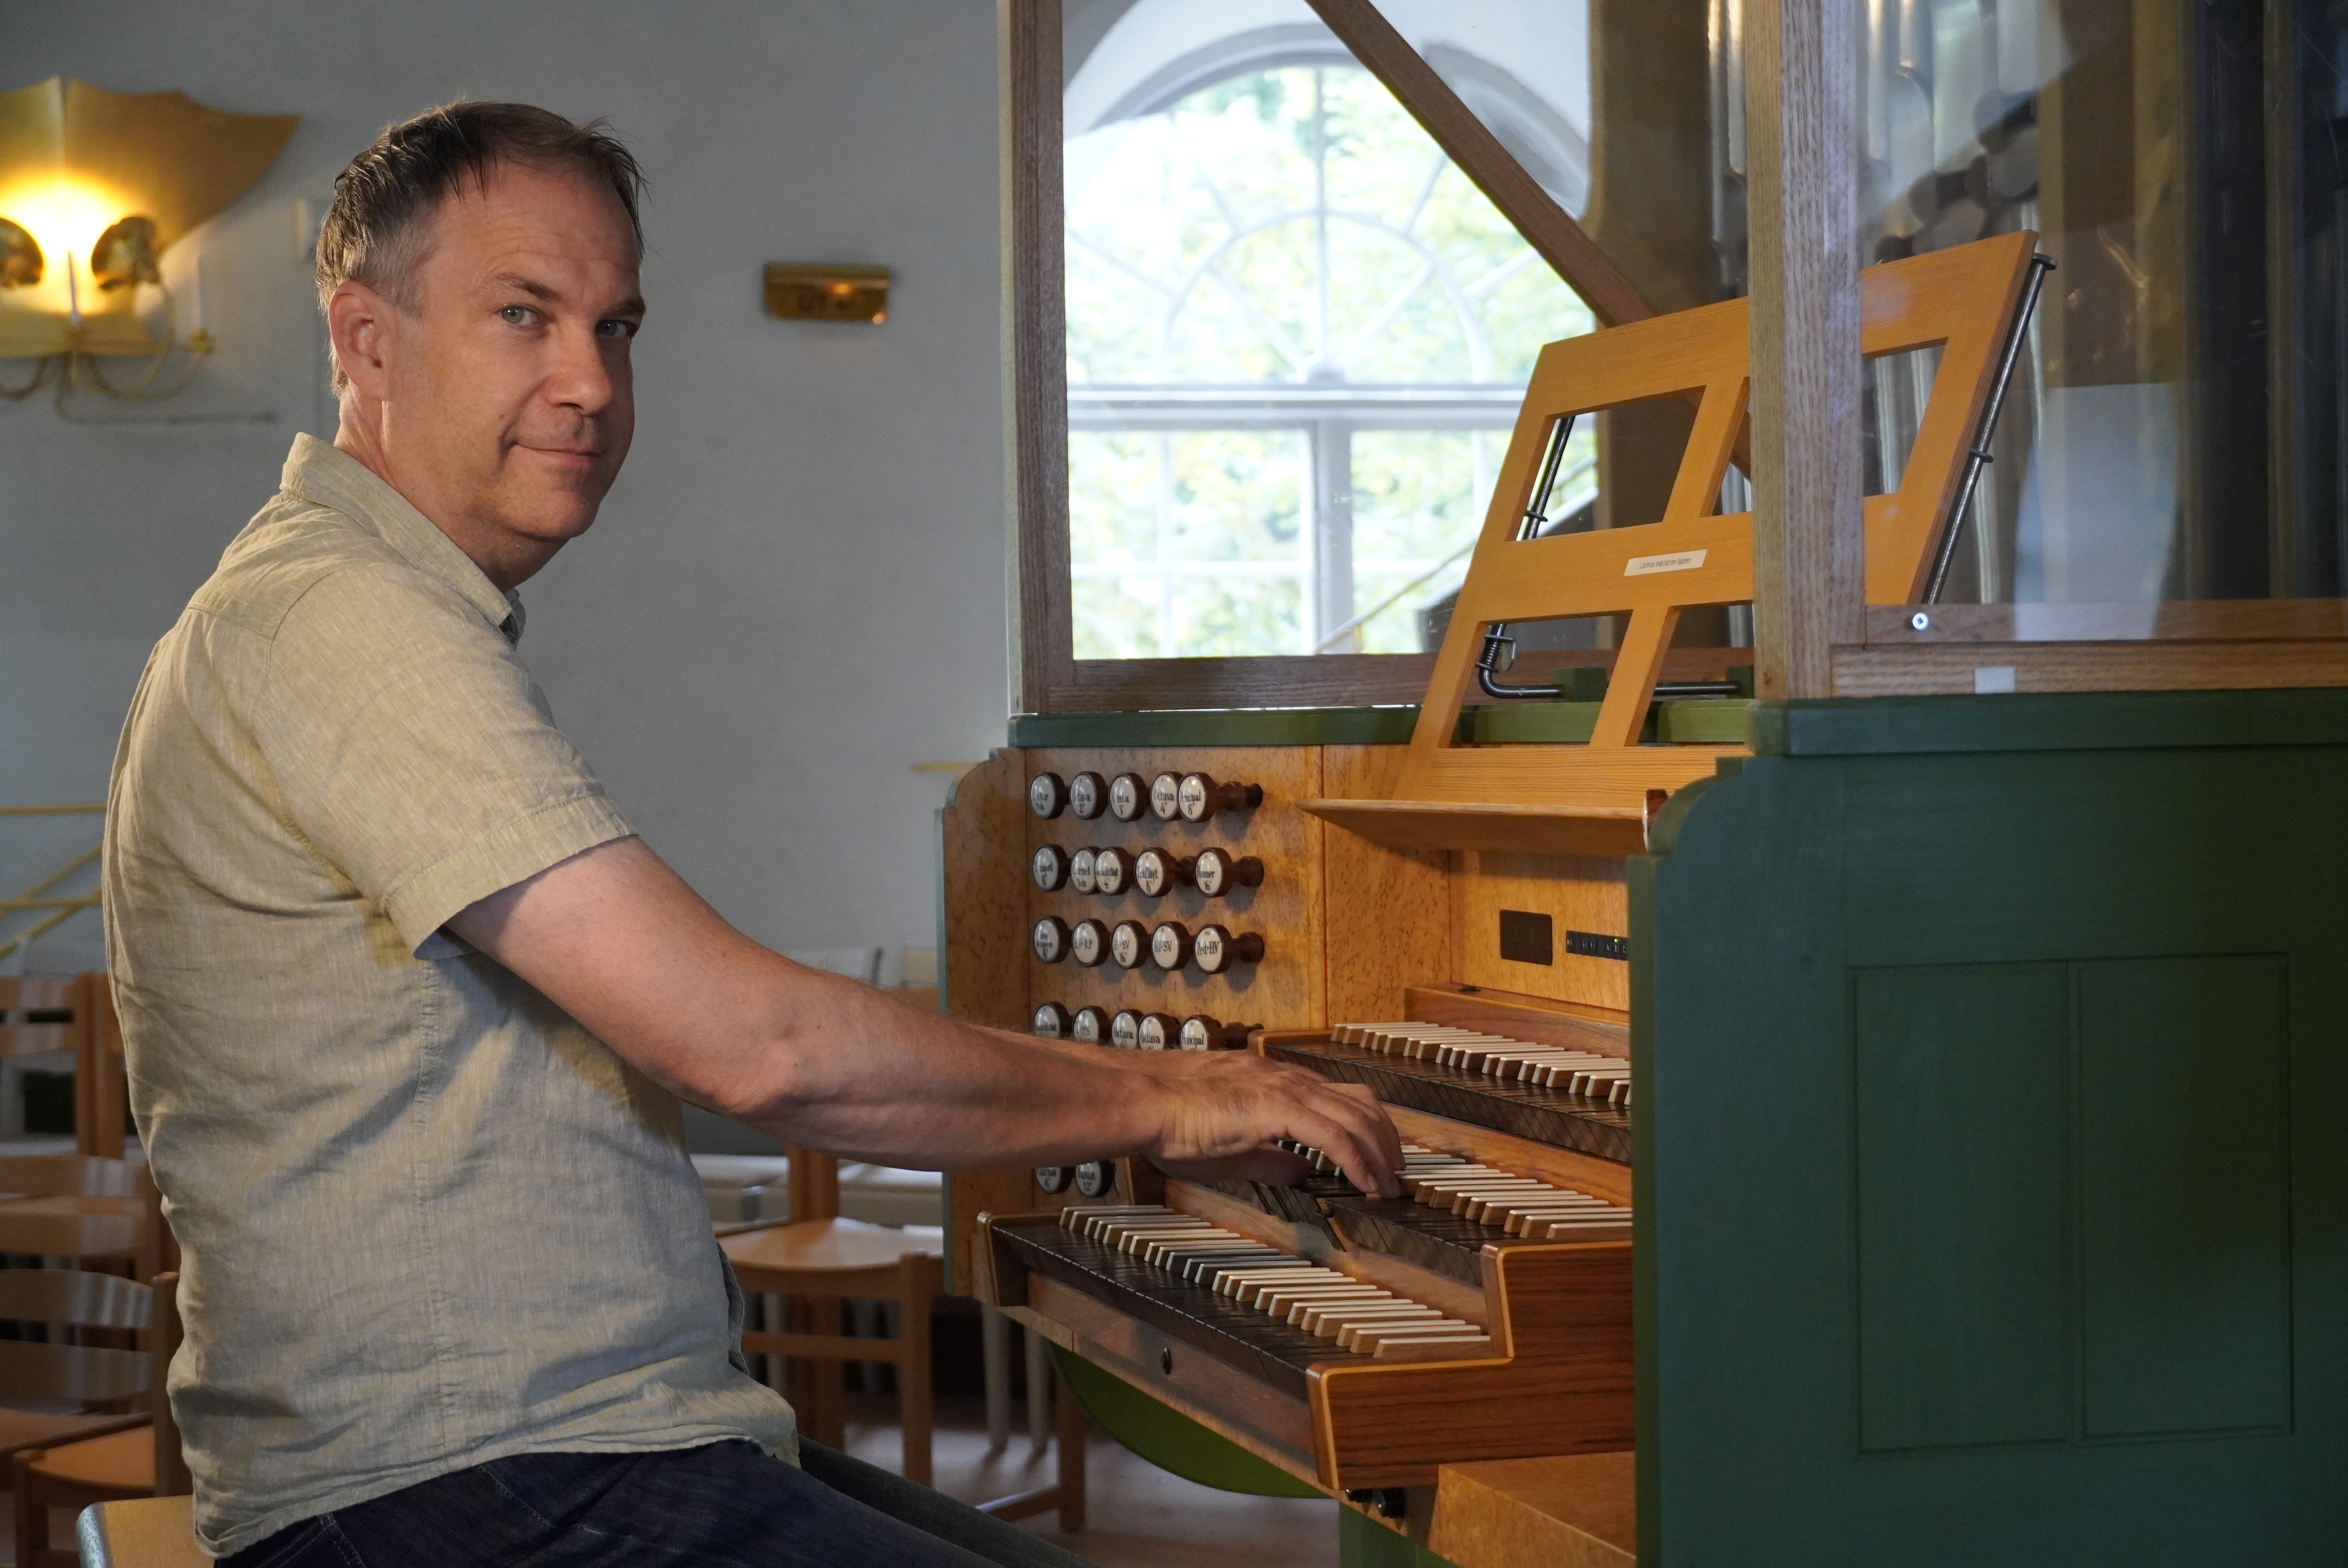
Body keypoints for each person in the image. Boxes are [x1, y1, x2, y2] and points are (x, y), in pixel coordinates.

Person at [100, 101, 1401, 1567]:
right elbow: (753, 1050)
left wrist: (1169, 1084)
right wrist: (1180, 1100)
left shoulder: (343, 606)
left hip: (547, 1456)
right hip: (453, 1493)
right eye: (522, 315)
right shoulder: (341, 618)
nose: (589, 381)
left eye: (619, 325)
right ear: (366, 341)